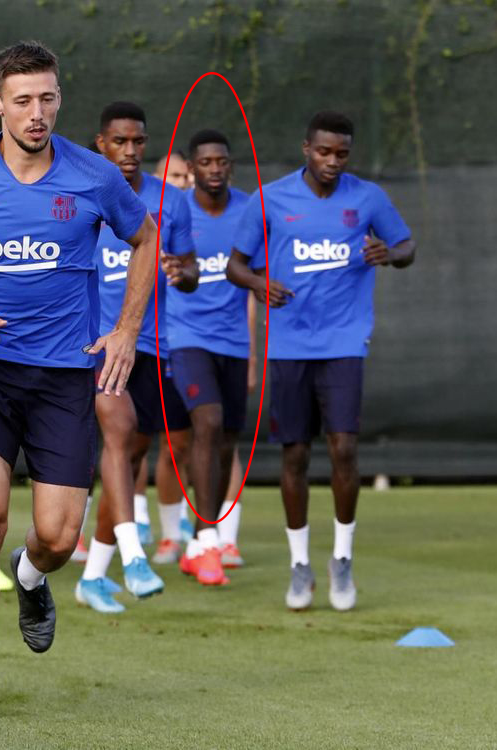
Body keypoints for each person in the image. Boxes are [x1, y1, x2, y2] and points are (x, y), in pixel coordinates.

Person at [0, 41, 158, 722]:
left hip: (64, 377)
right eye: (22, 100)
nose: (37, 112)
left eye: (47, 98)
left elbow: (145, 239)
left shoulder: (94, 175)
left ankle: (30, 572)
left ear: (59, 99)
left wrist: (127, 329)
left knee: (57, 537)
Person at [227, 110, 415, 611]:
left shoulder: (367, 197)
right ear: (306, 149)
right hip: (289, 345)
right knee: (294, 455)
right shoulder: (270, 199)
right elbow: (234, 266)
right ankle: (299, 565)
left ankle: (343, 558)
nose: (333, 161)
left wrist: (390, 254)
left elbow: (408, 246)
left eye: (342, 154)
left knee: (344, 449)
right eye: (324, 152)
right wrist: (258, 283)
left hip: (344, 341)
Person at [76, 100, 197, 614]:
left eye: (138, 141)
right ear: (101, 144)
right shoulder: (79, 193)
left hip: (151, 348)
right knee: (120, 435)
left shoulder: (173, 201)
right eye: (119, 141)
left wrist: (179, 272)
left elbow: (191, 273)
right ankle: (133, 556)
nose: (130, 150)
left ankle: (92, 577)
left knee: (126, 459)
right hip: (97, 344)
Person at [167, 129, 252, 587]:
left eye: (222, 161)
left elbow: (258, 280)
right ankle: (205, 538)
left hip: (234, 342)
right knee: (208, 422)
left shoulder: (250, 210)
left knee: (226, 441)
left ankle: (203, 540)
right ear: (192, 168)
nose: (214, 169)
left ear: (230, 166)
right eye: (205, 162)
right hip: (186, 337)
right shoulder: (174, 209)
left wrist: (256, 353)